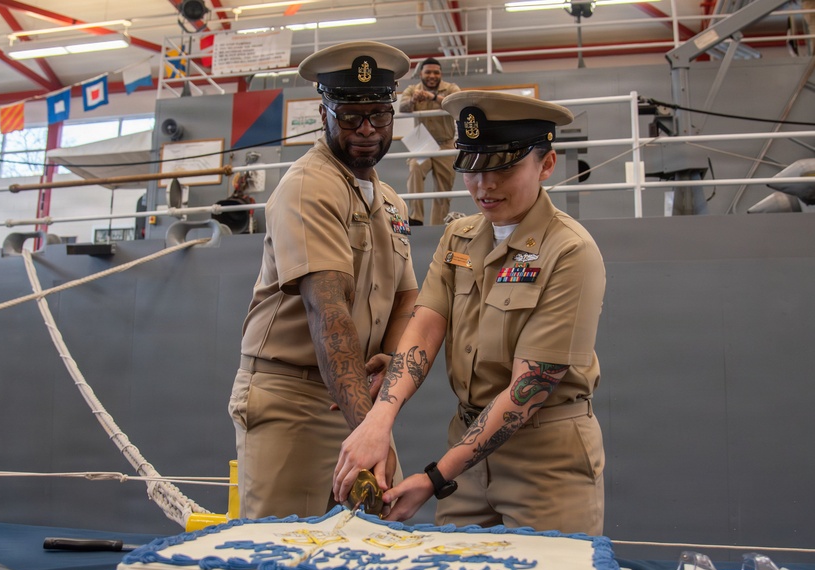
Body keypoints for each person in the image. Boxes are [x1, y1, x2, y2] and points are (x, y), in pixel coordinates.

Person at [332, 91, 607, 535]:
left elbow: (528, 389)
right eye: (474, 169)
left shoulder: (570, 252)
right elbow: (425, 327)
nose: (484, 186)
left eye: (504, 168)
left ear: (547, 164)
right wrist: (379, 419)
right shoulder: (459, 237)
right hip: (466, 453)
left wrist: (436, 477)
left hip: (546, 462)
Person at [229, 41, 419, 520]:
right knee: (281, 555)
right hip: (294, 398)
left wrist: (389, 367)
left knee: (361, 550)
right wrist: (373, 427)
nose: (367, 130)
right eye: (350, 116)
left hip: (352, 394)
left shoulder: (390, 200)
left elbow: (405, 297)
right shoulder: (309, 185)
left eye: (378, 114)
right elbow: (328, 312)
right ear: (324, 113)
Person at [398, 58, 461, 227]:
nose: (432, 76)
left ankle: (438, 226)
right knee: (415, 168)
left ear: (440, 74)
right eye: (428, 72)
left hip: (445, 142)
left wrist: (433, 97)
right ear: (421, 74)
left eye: (436, 72)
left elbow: (457, 103)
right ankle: (415, 217)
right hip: (422, 141)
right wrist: (413, 100)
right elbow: (401, 108)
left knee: (444, 187)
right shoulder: (412, 89)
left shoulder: (451, 88)